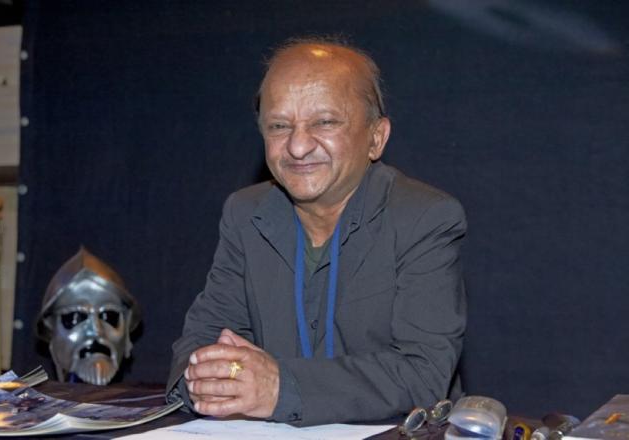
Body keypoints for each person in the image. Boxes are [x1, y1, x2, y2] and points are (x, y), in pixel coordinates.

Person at [166, 36, 467, 427]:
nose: (297, 146)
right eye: (279, 126)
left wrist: (280, 388)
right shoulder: (245, 214)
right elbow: (203, 338)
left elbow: (423, 375)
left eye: (324, 123)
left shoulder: (425, 218)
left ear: (376, 138)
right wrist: (209, 378)